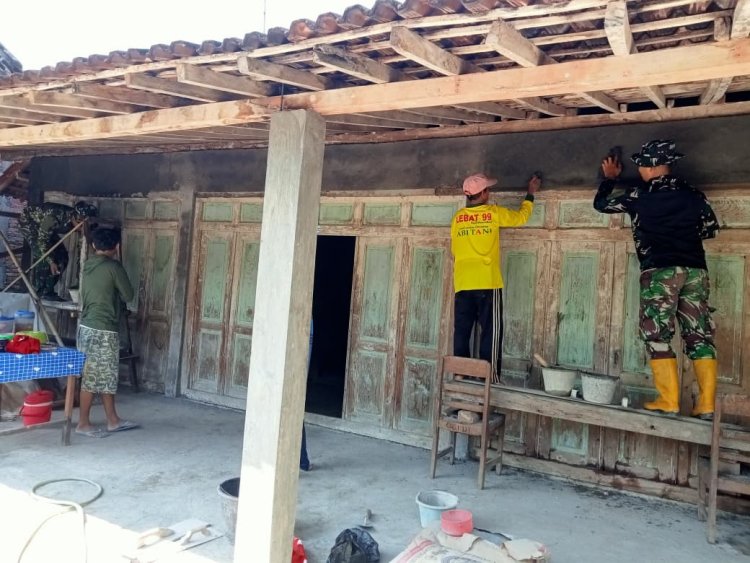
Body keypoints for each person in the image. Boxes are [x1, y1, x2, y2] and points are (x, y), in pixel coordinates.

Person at [594, 140, 720, 419]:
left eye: (641, 164)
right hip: (696, 270)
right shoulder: (693, 194)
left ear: (651, 167)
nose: (639, 169)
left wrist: (610, 178)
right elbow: (710, 229)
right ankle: (707, 405)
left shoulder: (639, 195)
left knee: (657, 333)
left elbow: (600, 205)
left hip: (660, 270)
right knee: (699, 334)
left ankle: (668, 399)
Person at [450, 172, 541, 382]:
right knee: (491, 333)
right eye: (488, 189)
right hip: (487, 283)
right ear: (483, 193)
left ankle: (460, 374)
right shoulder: (492, 213)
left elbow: (455, 250)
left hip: (463, 283)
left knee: (462, 331)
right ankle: (488, 378)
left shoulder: (457, 219)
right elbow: (520, 218)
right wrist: (530, 194)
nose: (489, 192)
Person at [76, 227, 138, 437]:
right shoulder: (113, 267)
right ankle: (83, 423)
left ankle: (113, 420)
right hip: (103, 329)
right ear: (117, 247)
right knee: (94, 377)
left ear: (94, 245)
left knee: (104, 375)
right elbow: (128, 295)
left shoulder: (88, 265)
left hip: (86, 327)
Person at [18, 201, 97, 298]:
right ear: (74, 218)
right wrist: (51, 261)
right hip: (30, 224)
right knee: (43, 257)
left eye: (85, 225)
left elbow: (83, 243)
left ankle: (48, 289)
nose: (81, 228)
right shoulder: (53, 218)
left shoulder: (78, 221)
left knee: (62, 256)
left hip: (46, 229)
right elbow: (42, 241)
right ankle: (41, 292)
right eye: (80, 224)